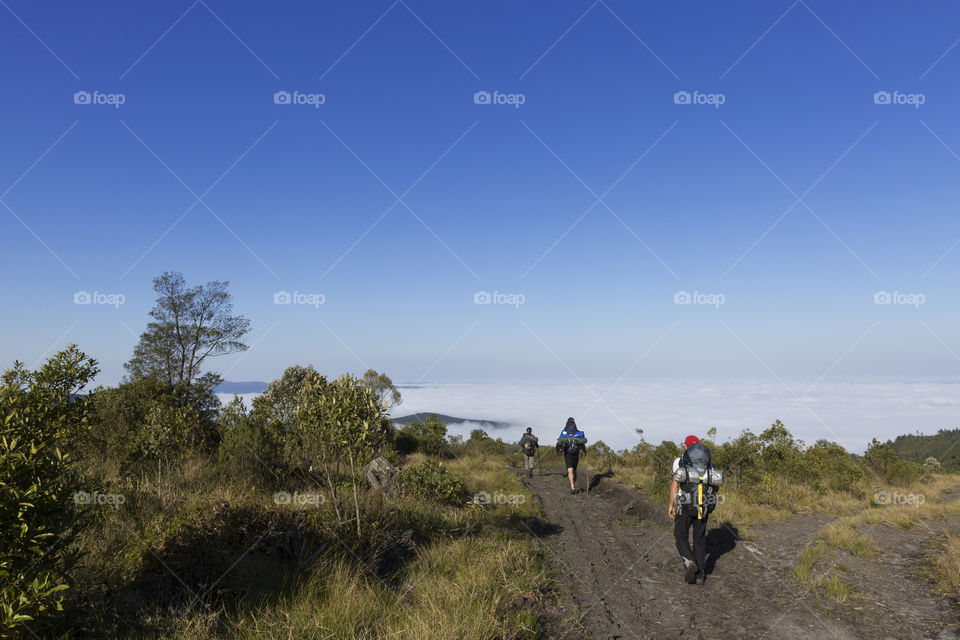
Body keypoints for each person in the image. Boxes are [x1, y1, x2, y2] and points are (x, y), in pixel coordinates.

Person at [668, 435, 721, 585]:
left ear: (686, 446)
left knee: (680, 535)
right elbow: (715, 487)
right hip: (703, 505)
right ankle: (700, 575)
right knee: (699, 539)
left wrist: (671, 504)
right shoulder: (709, 464)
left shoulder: (679, 461)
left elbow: (675, 484)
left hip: (684, 504)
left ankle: (690, 562)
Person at [555, 417, 587, 494]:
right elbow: (582, 444)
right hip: (576, 453)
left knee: (570, 470)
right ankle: (573, 484)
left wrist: (558, 450)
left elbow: (559, 442)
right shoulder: (579, 433)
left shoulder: (564, 431)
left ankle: (572, 486)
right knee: (574, 470)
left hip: (568, 453)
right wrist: (585, 452)